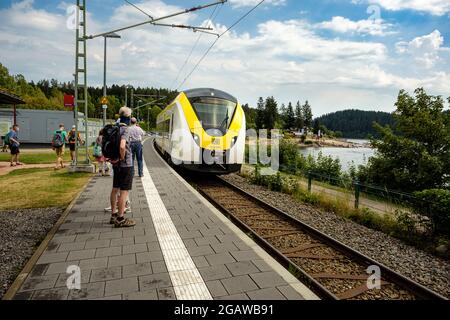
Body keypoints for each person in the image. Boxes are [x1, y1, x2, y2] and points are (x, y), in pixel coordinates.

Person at [109, 106, 135, 228]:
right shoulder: (126, 129)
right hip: (125, 165)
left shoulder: (115, 127)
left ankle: (113, 215)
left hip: (115, 165)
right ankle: (120, 218)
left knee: (115, 189)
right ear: (129, 117)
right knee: (124, 192)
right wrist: (122, 157)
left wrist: (117, 159)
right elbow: (122, 145)